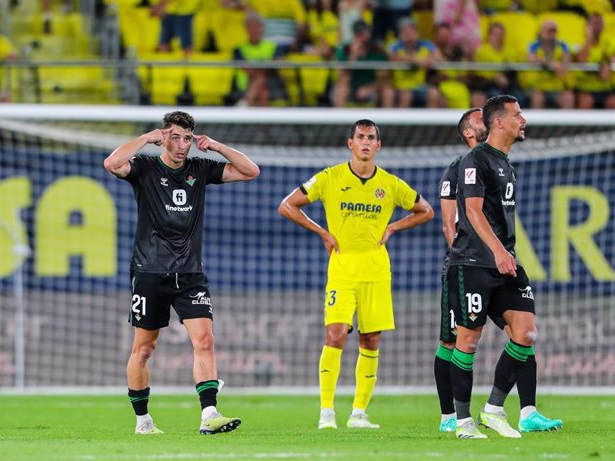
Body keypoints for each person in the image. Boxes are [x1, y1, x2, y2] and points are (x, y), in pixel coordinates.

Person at [103, 110, 260, 435]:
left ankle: (209, 415)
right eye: (175, 137)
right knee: (144, 349)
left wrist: (216, 145)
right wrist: (146, 138)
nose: (182, 144)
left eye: (187, 138)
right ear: (164, 136)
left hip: (190, 274)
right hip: (149, 272)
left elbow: (250, 171)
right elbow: (112, 163)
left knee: (205, 341)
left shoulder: (200, 169)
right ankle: (143, 421)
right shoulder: (145, 167)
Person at [278, 119, 434, 430]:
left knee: (371, 339)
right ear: (350, 143)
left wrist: (393, 227)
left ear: (378, 145)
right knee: (335, 335)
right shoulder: (330, 177)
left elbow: (426, 210)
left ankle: (359, 413)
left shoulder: (390, 184)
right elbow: (288, 206)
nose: (365, 142)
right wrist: (322, 232)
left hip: (376, 272)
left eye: (371, 138)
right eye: (360, 137)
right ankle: (326, 412)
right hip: (342, 270)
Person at [435, 107, 563, 434]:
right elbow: (464, 217)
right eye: (517, 114)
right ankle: (457, 419)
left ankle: (498, 408)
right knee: (462, 341)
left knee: (525, 331)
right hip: (472, 263)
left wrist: (503, 253)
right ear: (498, 122)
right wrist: (485, 252)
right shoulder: (467, 163)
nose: (524, 120)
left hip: (502, 262)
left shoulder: (505, 163)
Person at [333, 20, 391, 107]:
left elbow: (384, 75)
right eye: (359, 34)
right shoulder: (344, 49)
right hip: (350, 85)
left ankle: (388, 120)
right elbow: (342, 75)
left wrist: (370, 88)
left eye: (365, 32)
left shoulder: (377, 49)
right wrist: (353, 55)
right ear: (354, 34)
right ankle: (338, 120)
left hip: (372, 84)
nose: (362, 36)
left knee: (388, 91)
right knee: (340, 89)